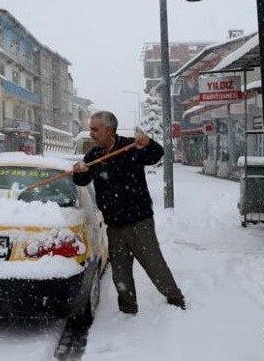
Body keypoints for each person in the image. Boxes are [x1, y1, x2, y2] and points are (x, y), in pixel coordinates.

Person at [72, 111, 185, 314]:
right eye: (91, 129)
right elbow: (83, 180)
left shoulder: (130, 146)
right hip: (114, 225)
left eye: (95, 129)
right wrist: (78, 172)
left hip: (139, 222)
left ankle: (176, 300)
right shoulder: (94, 155)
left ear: (109, 130)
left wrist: (148, 143)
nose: (92, 133)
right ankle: (128, 310)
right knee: (120, 272)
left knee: (153, 264)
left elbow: (156, 155)